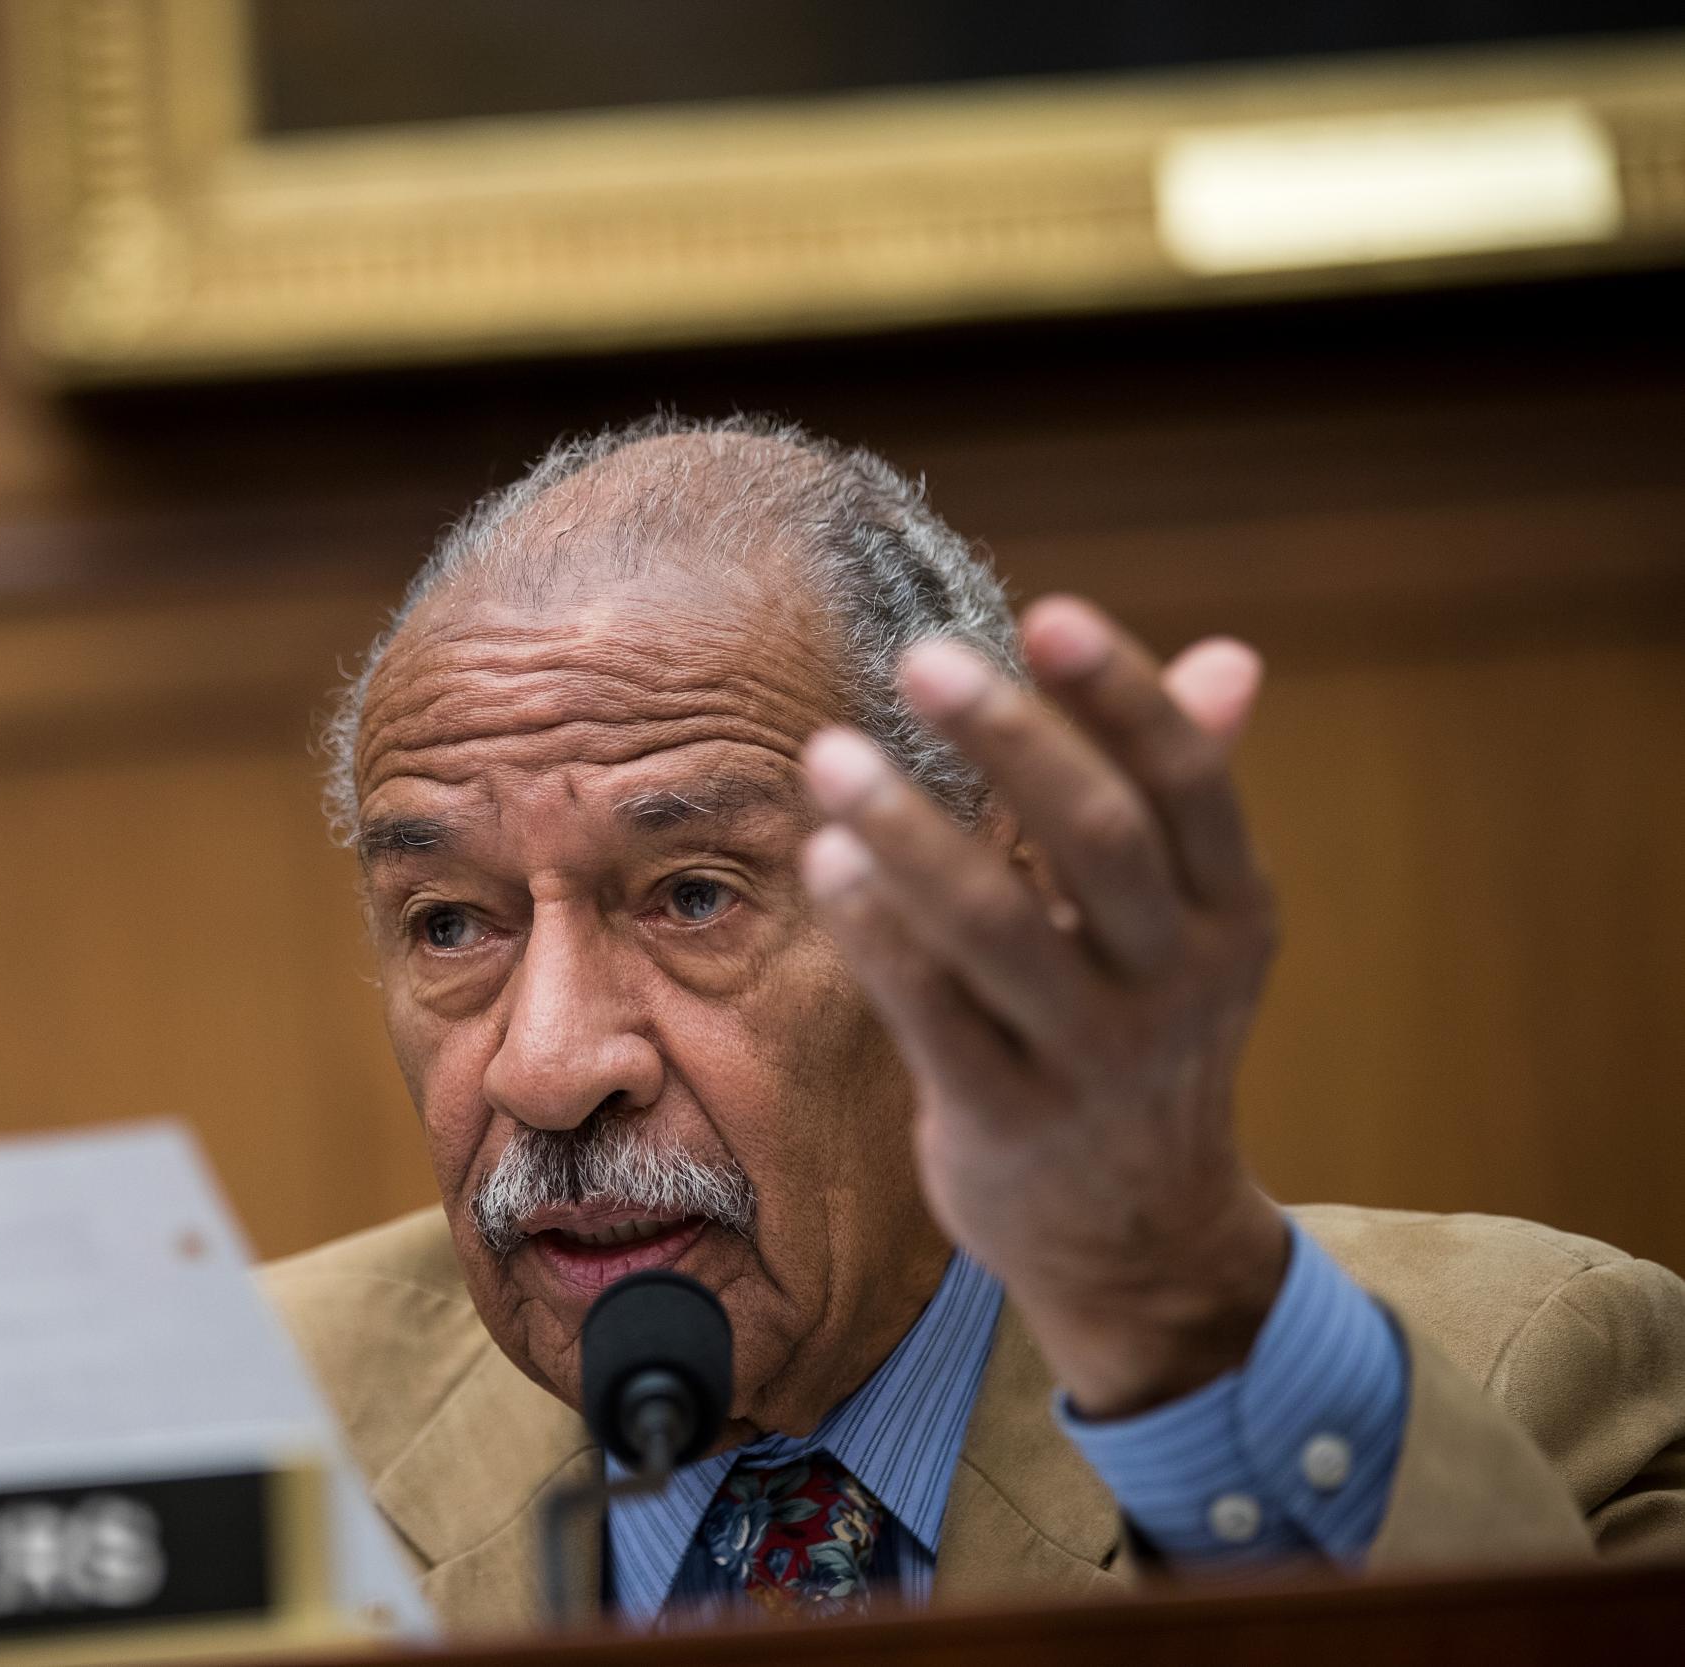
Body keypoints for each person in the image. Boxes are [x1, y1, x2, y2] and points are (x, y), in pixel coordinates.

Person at [261, 415, 1685, 1633]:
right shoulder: (241, 1425)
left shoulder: (1530, 1381)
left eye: (693, 896)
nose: (551, 1066)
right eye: (451, 924)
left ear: (985, 921)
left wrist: (1175, 1311)